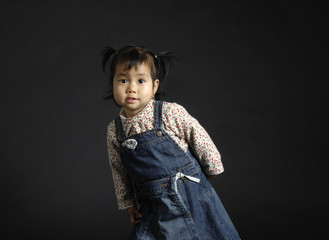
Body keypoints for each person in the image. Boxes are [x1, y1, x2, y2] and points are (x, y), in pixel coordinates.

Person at [102, 44, 240, 240]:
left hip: (190, 196)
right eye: (123, 80)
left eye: (141, 80)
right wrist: (129, 204)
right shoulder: (115, 131)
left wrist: (213, 166)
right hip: (154, 206)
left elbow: (198, 134)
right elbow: (119, 170)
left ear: (155, 86)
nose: (132, 88)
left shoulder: (169, 112)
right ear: (113, 84)